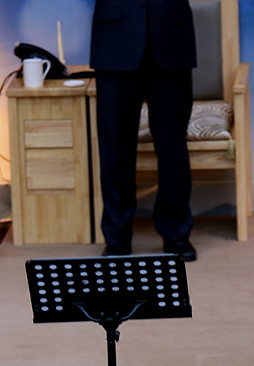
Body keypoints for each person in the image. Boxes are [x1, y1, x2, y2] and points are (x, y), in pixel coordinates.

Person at [90, 0, 197, 262]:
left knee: (173, 149)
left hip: (172, 37)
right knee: (114, 149)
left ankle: (176, 234)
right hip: (115, 38)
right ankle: (117, 238)